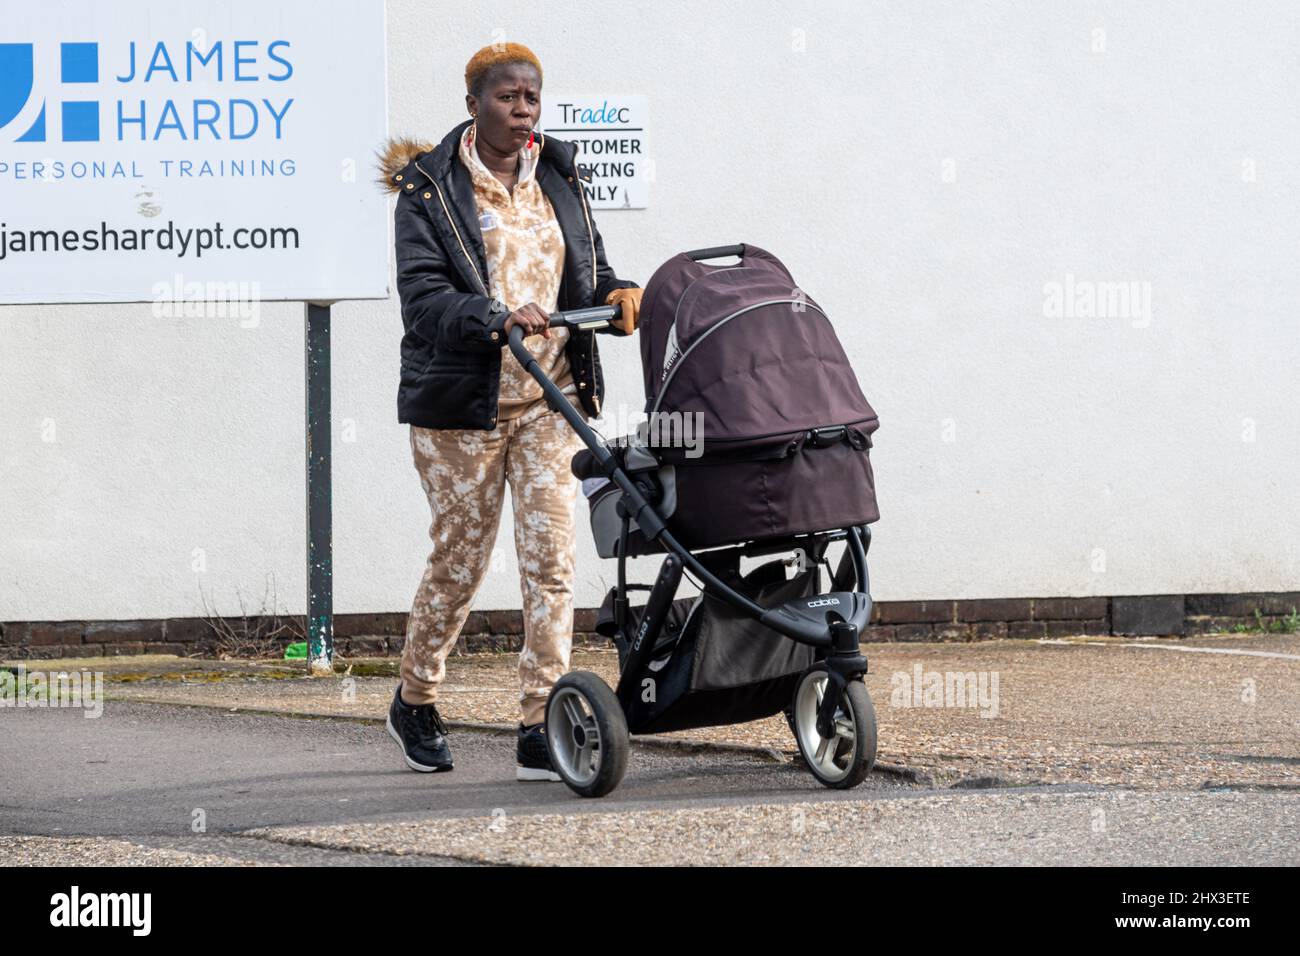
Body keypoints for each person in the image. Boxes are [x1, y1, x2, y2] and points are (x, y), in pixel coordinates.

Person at [377, 42, 642, 780]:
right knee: (460, 561)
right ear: (472, 104)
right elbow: (425, 300)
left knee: (552, 562)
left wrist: (619, 294)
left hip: (549, 400)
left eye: (531, 97)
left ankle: (539, 719)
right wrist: (494, 317)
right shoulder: (428, 190)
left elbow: (588, 267)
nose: (522, 109)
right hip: (462, 406)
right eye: (507, 97)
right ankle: (416, 697)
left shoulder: (558, 173)